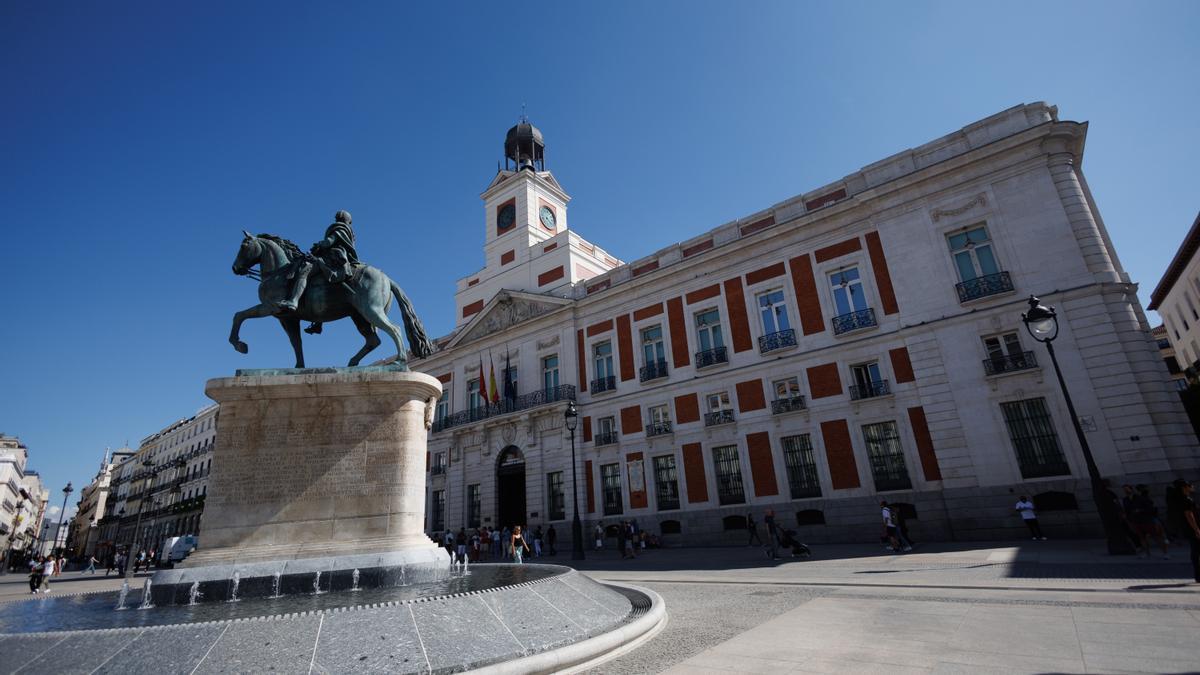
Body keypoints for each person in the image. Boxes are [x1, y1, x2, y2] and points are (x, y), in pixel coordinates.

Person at [278, 210, 359, 315]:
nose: (335, 220)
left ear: (339, 218)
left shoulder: (338, 229)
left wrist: (319, 245)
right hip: (340, 258)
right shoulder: (350, 232)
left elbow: (329, 242)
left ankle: (293, 301)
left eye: (336, 218)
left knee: (304, 272)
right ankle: (317, 322)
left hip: (332, 258)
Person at [1132, 484, 1170, 559]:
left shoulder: (1142, 498)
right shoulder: (1142, 498)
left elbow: (1150, 509)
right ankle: (1163, 553)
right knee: (1151, 537)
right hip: (1144, 520)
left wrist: (1139, 511)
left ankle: (1163, 553)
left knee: (1154, 537)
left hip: (1146, 520)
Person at [1178, 480, 1200, 583]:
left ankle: (1198, 575)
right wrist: (1196, 529)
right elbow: (1189, 515)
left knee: (1195, 551)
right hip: (1193, 529)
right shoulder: (1186, 500)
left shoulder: (1187, 499)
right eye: (1190, 486)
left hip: (1191, 528)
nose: (1192, 487)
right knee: (1196, 552)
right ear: (1185, 488)